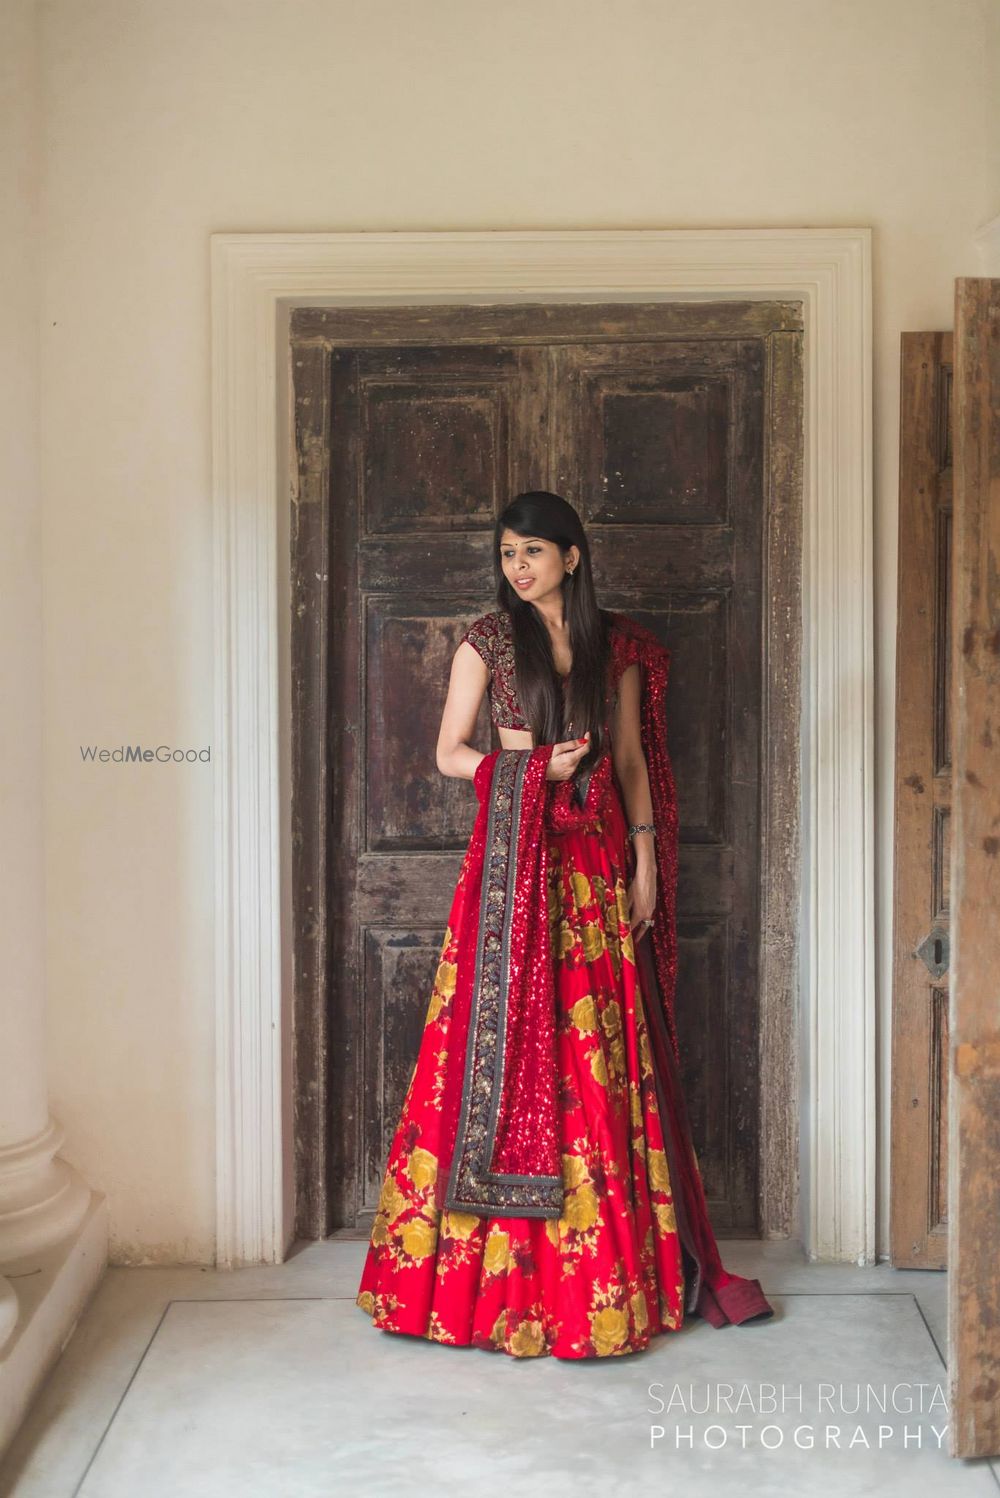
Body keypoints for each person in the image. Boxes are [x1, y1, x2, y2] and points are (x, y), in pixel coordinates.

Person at [355, 491, 773, 1358]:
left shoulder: (614, 648)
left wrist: (650, 863)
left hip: (591, 873)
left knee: (593, 1059)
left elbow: (626, 762)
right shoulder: (487, 640)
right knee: (498, 1047)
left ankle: (592, 1281)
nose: (517, 566)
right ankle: (485, 1286)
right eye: (507, 552)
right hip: (511, 876)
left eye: (533, 551)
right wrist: (536, 767)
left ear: (572, 558)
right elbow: (448, 751)